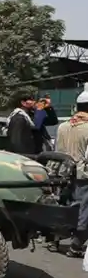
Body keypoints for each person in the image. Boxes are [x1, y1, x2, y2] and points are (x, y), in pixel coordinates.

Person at [55, 90, 88, 256]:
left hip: (62, 172)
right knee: (84, 210)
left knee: (64, 205)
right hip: (83, 175)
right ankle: (76, 245)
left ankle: (55, 239)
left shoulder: (63, 126)